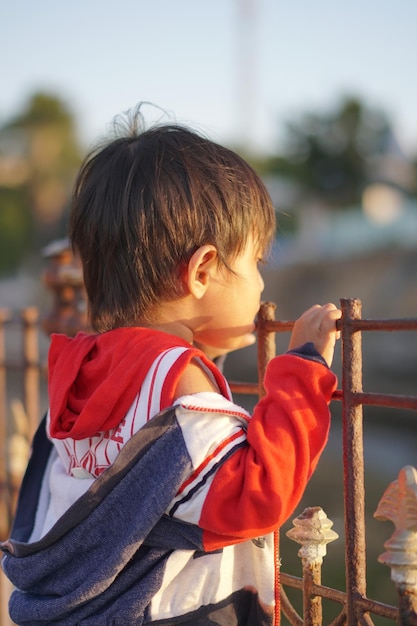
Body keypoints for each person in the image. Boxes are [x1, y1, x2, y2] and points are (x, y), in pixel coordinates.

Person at [1, 108, 341, 625]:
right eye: (257, 264)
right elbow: (256, 495)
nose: (263, 286)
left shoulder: (84, 362)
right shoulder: (183, 379)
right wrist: (304, 368)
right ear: (203, 270)